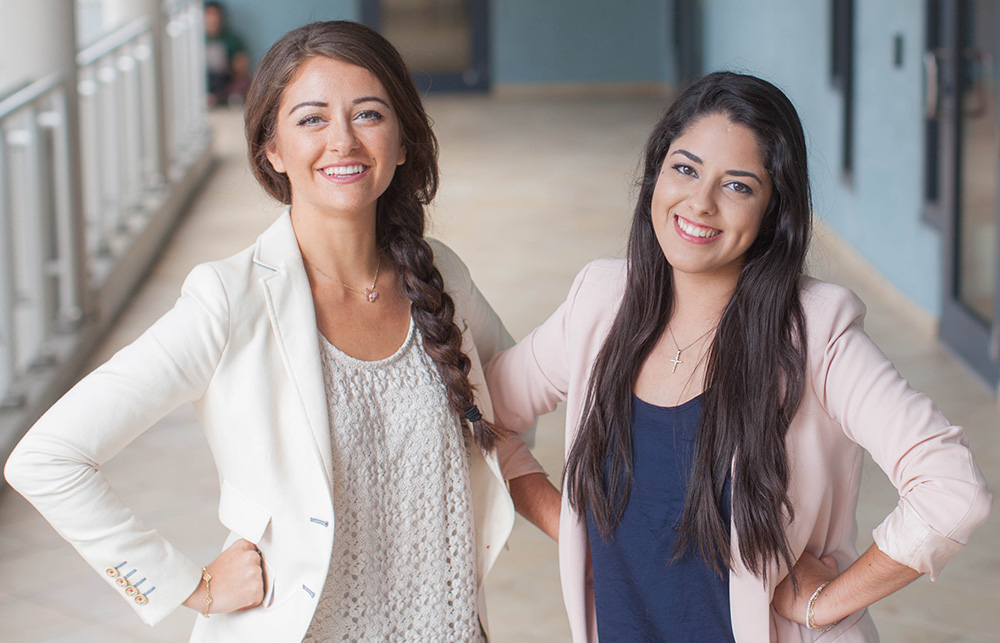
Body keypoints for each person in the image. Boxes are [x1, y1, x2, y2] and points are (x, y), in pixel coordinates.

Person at [5, 20, 531, 642]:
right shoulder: (228, 299)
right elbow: (47, 458)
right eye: (311, 119)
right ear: (271, 150)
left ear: (403, 141)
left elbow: (517, 399)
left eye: (367, 114)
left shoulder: (443, 275)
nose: (342, 140)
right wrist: (187, 586)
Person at [488, 71, 992, 642]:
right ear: (656, 173)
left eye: (738, 186)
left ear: (774, 210)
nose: (699, 203)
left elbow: (951, 487)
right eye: (685, 168)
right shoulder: (600, 303)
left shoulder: (815, 334)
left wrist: (829, 601)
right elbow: (485, 413)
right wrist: (578, 529)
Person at [204, 1, 250, 106]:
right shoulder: (195, 41)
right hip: (204, 80)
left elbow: (242, 66)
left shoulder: (231, 40)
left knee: (244, 82)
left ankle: (220, 98)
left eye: (214, 15)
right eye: (208, 15)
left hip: (225, 80)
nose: (212, 20)